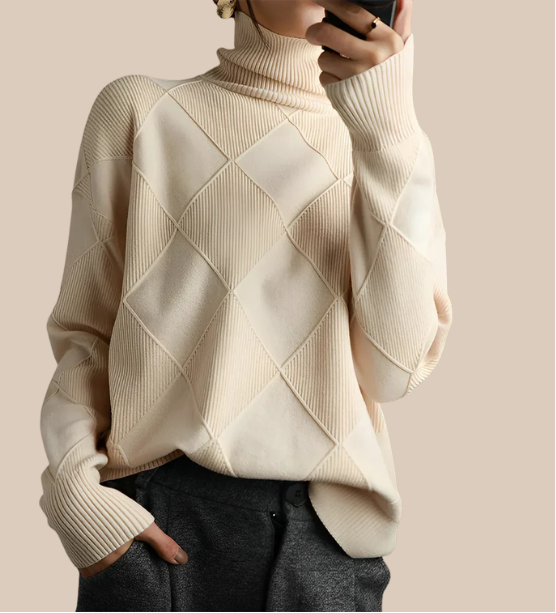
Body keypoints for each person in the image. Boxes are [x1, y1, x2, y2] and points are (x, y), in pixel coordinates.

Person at [38, 0, 453, 610]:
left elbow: (394, 372)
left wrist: (387, 130)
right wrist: (76, 497)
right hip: (158, 525)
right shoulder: (139, 110)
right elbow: (86, 334)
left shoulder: (389, 145)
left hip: (323, 542)